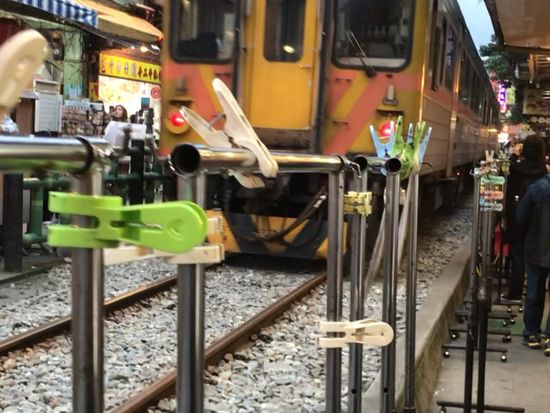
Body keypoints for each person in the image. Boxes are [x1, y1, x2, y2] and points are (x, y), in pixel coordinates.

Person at [502, 135, 547, 302]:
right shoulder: (543, 170)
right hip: (538, 218)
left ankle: (515, 292)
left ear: (525, 150)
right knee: (535, 259)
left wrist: (514, 155)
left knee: (517, 254)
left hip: (518, 215)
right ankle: (533, 293)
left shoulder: (516, 169)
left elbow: (508, 192)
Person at [515, 171, 550, 355]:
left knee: (534, 292)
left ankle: (532, 333)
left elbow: (521, 217)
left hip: (536, 248)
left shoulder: (535, 189)